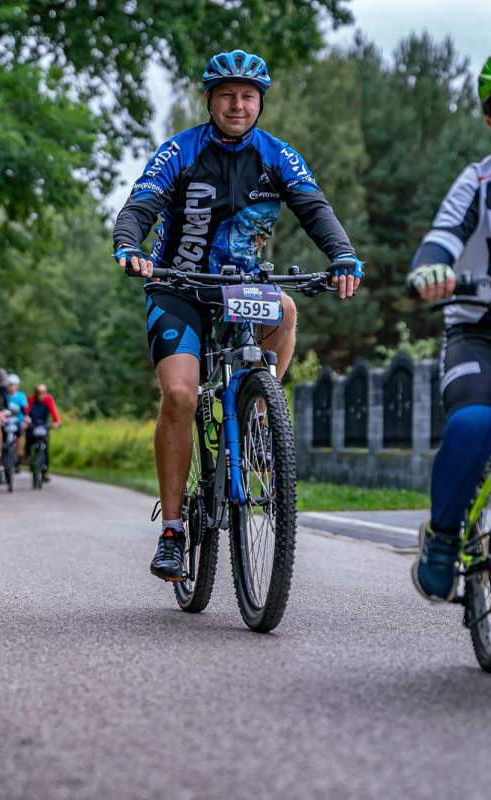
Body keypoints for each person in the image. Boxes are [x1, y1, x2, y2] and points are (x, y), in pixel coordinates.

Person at [112, 49, 365, 582]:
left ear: (260, 103)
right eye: (226, 94)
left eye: (248, 96)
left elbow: (316, 209)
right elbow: (141, 204)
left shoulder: (277, 155)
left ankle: (256, 410)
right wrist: (129, 244)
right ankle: (174, 530)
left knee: (287, 308)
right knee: (180, 395)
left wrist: (341, 255)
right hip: (178, 285)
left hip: (242, 286)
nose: (237, 104)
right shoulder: (180, 150)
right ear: (209, 100)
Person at [407, 55, 491, 602]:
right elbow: (440, 240)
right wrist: (432, 268)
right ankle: (442, 535)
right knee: (474, 426)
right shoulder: (478, 181)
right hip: (477, 328)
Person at [25, 384, 61, 481]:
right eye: (39, 393)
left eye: (43, 393)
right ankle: (27, 457)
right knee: (29, 439)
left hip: (44, 425)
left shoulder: (48, 400)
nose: (41, 395)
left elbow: (54, 412)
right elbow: (26, 411)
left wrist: (57, 422)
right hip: (32, 424)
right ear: (35, 393)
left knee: (45, 446)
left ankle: (45, 470)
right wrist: (26, 419)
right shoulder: (30, 399)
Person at [5, 374, 29, 461]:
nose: (11, 387)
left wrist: (25, 419)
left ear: (17, 386)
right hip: (6, 420)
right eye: (10, 384)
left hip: (18, 420)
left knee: (20, 433)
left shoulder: (21, 396)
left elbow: (24, 409)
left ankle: (19, 454)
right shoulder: (5, 395)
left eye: (13, 385)